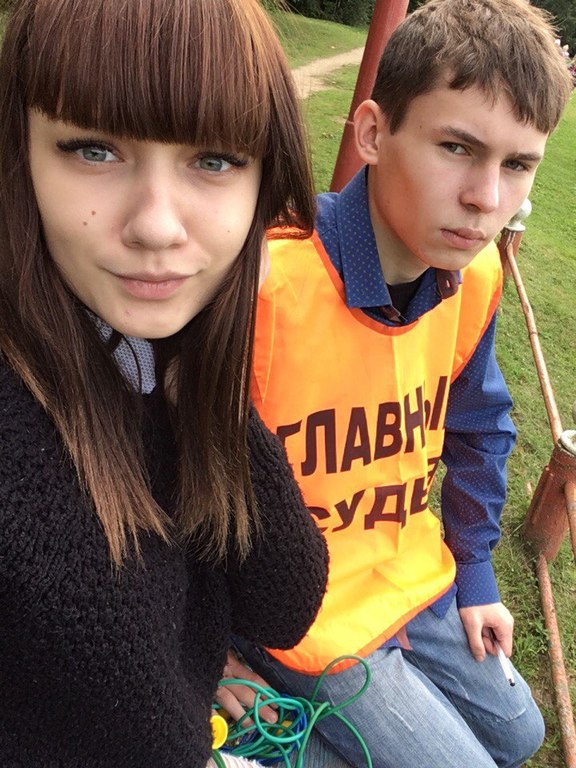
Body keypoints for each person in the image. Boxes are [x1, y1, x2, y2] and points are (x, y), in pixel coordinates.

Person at [227, 1, 574, 766]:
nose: (487, 198)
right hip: (303, 608)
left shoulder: (473, 279)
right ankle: (264, 723)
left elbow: (482, 426)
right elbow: (168, 475)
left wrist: (476, 575)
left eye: (518, 165)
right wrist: (215, 653)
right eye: (457, 147)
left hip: (404, 566)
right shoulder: (265, 283)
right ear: (373, 134)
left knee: (521, 735)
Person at [0, 0, 329, 766]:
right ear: (18, 156)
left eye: (213, 162)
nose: (156, 225)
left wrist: (209, 389)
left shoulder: (158, 354)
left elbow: (284, 603)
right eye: (93, 149)